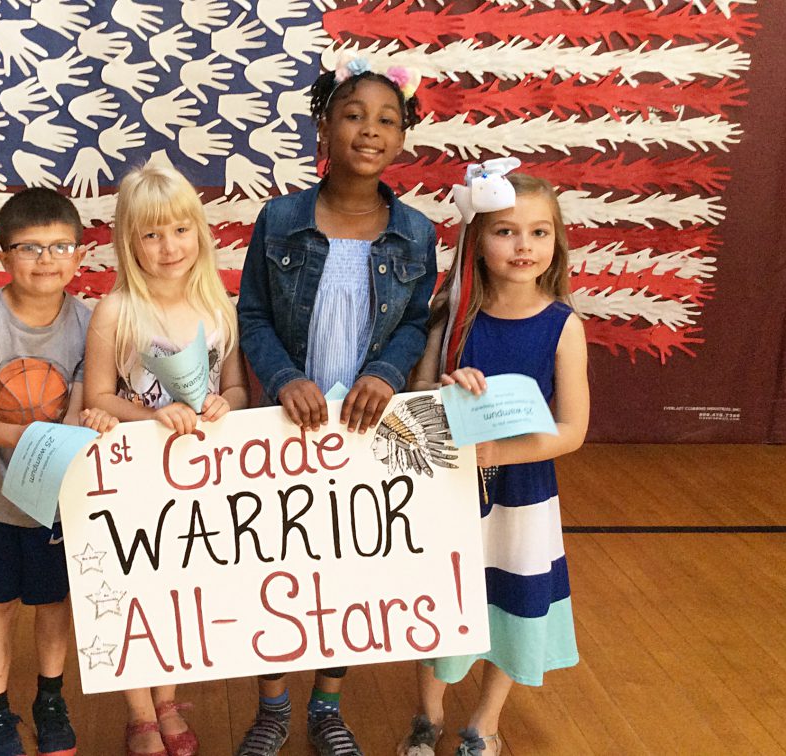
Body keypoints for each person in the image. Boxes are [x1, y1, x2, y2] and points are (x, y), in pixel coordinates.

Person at [236, 55, 437, 756]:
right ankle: (271, 707)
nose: (369, 131)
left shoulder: (415, 233)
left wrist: (386, 371)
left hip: (361, 431)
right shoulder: (281, 218)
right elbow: (253, 316)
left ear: (405, 135)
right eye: (352, 115)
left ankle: (326, 704)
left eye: (387, 119)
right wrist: (285, 376)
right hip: (285, 427)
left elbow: (416, 320)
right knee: (275, 564)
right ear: (323, 126)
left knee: (345, 570)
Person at [404, 170, 590, 756]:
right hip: (454, 491)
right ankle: (427, 715)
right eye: (506, 232)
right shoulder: (450, 316)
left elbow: (573, 431)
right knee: (446, 597)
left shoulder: (563, 326)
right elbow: (416, 400)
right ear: (476, 240)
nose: (524, 246)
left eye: (539, 232)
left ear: (556, 243)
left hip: (524, 494)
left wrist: (501, 452)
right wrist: (445, 387)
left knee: (512, 598)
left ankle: (484, 722)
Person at [81, 164, 248, 756]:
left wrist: (217, 405)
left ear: (200, 232)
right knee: (134, 592)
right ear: (129, 243)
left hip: (196, 480)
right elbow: (96, 397)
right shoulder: (116, 311)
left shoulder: (218, 306)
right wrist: (152, 417)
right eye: (151, 235)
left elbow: (238, 392)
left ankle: (168, 699)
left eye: (180, 229)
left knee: (176, 591)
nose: (169, 245)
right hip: (136, 479)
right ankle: (138, 713)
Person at [0, 187, 115, 756]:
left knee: (53, 601)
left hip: (58, 497)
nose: (46, 259)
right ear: (2, 256)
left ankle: (50, 699)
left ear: (79, 255)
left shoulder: (90, 323)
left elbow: (90, 400)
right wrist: (30, 437)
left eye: (60, 246)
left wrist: (75, 420)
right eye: (29, 248)